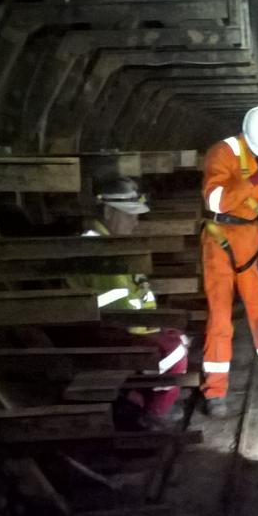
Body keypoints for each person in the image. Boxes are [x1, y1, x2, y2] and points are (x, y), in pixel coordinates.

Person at [71, 177, 190, 429]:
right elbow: (119, 307)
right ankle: (155, 413)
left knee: (173, 339)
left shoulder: (108, 243)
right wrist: (155, 330)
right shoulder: (99, 250)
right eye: (128, 215)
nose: (135, 222)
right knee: (174, 351)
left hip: (119, 327)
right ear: (107, 211)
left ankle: (140, 400)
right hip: (106, 332)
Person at [200, 106, 258, 418]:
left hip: (250, 237)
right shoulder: (223, 152)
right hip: (220, 238)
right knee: (220, 315)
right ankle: (216, 391)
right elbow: (215, 200)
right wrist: (255, 179)